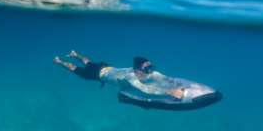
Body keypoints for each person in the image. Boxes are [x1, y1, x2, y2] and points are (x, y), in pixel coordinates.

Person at [53, 50, 185, 99]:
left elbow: (161, 77)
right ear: (137, 69)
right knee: (76, 69)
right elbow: (146, 90)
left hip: (105, 67)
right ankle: (59, 62)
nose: (150, 70)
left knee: (89, 63)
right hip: (97, 73)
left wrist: (176, 83)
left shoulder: (145, 71)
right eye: (147, 68)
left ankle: (75, 54)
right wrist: (169, 92)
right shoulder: (130, 77)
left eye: (151, 67)